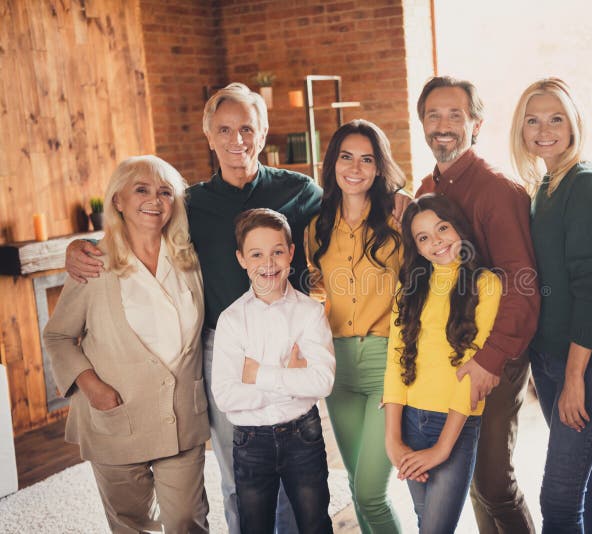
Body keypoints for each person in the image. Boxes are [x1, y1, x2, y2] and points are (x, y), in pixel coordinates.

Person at [65, 82, 409, 534]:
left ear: (262, 133)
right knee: (239, 470)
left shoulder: (300, 192)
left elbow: (353, 204)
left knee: (298, 469)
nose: (237, 140)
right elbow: (136, 228)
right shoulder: (189, 204)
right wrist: (81, 246)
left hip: (291, 345)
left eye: (247, 128)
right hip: (223, 349)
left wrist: (399, 198)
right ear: (210, 136)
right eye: (224, 130)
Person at [44, 156, 209, 533]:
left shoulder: (189, 257)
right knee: (130, 524)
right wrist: (91, 385)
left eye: (165, 192)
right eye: (142, 189)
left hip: (180, 414)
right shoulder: (93, 263)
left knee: (188, 520)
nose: (155, 199)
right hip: (116, 416)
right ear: (117, 200)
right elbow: (58, 336)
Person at [415, 75, 539, 533]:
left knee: (493, 481)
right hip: (449, 359)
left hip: (494, 359)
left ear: (476, 124)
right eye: (433, 115)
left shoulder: (497, 191)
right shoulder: (428, 186)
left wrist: (490, 360)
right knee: (470, 481)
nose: (443, 125)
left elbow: (522, 285)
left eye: (455, 115)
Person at [510, 77, 592, 534]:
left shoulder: (585, 184)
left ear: (574, 123)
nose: (544, 129)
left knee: (557, 500)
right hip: (552, 359)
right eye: (533, 120)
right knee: (589, 483)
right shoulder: (546, 185)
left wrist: (575, 377)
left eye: (556, 118)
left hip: (587, 366)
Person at [306, 119, 404, 533]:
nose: (356, 167)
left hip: (386, 362)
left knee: (369, 493)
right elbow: (315, 292)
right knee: (353, 481)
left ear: (379, 168)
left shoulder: (399, 219)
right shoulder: (316, 227)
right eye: (347, 156)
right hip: (337, 366)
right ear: (333, 164)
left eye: (367, 159)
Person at [212, 208, 335, 534]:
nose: (268, 263)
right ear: (241, 259)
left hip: (303, 437)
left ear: (291, 253)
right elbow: (226, 396)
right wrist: (292, 379)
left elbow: (322, 381)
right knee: (255, 527)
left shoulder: (309, 313)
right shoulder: (231, 320)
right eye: (256, 254)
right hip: (251, 443)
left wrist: (258, 374)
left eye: (277, 252)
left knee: (315, 524)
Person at [384, 194, 502, 533]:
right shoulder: (408, 289)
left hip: (455, 426)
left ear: (458, 229)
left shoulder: (485, 284)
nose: (436, 242)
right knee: (425, 523)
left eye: (442, 228)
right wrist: (393, 439)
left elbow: (472, 376)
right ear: (417, 248)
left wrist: (442, 448)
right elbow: (395, 361)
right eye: (423, 237)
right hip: (408, 421)